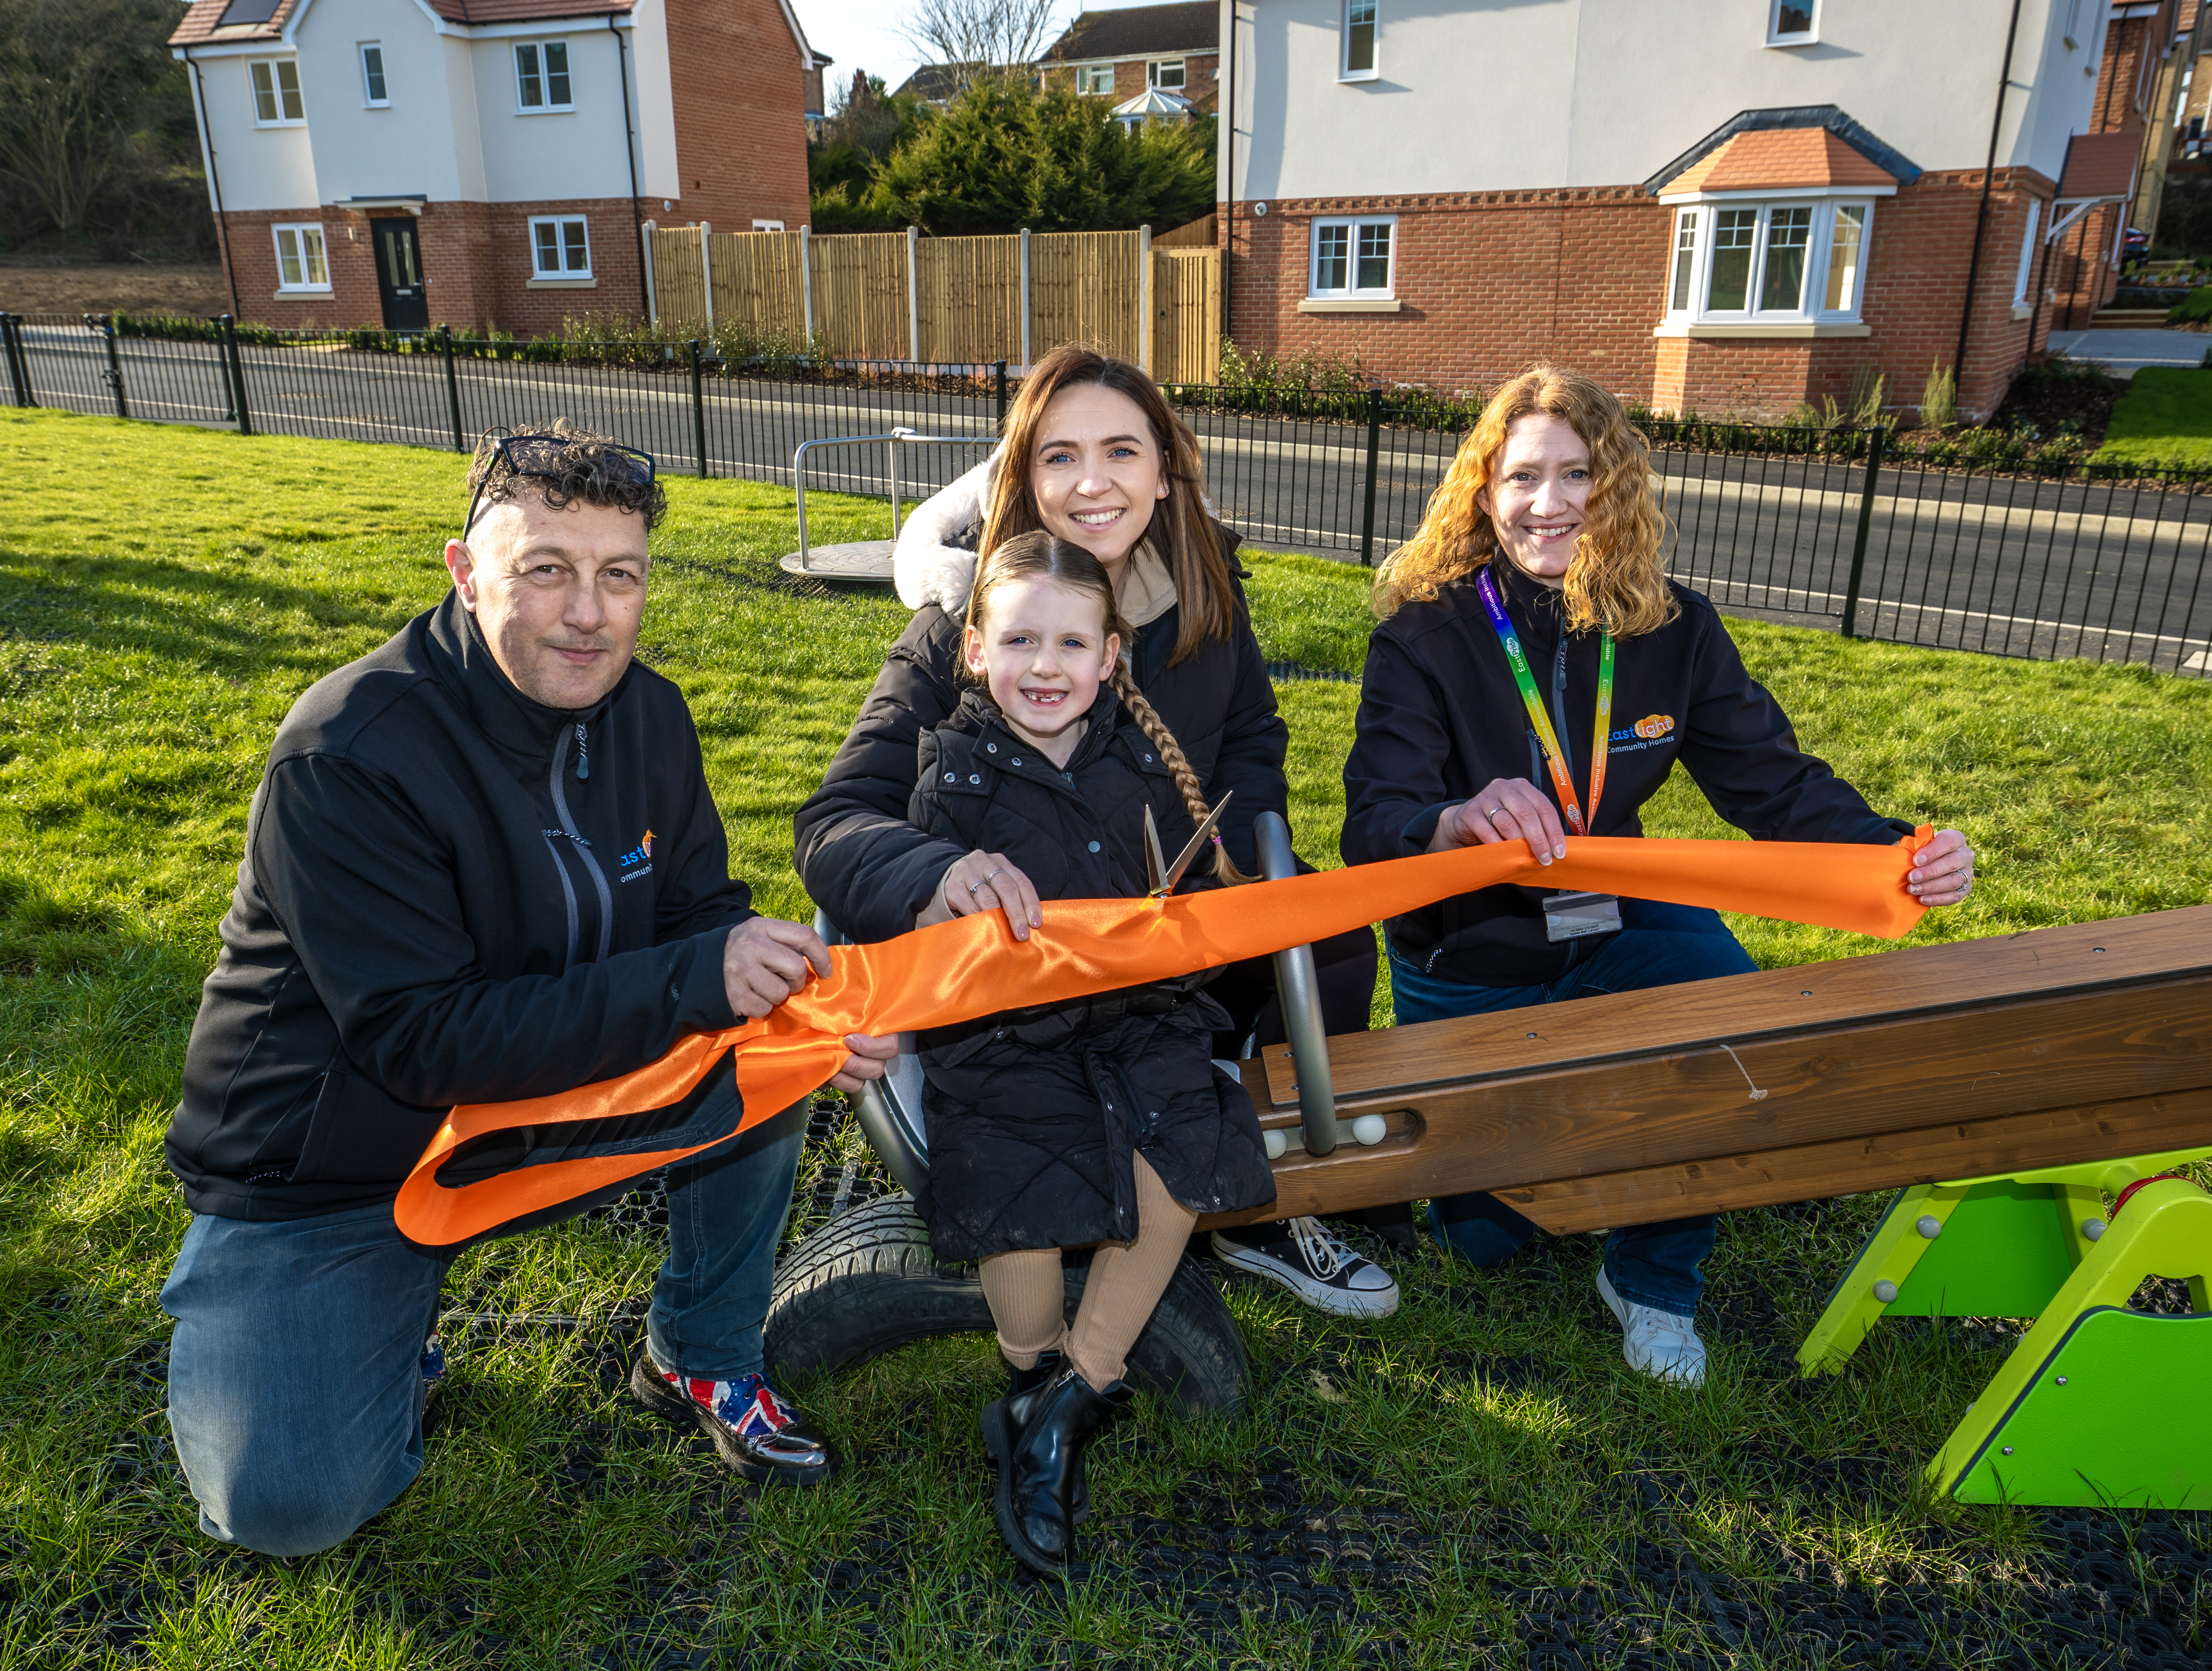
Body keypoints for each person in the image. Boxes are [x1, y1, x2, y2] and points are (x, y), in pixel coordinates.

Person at [159, 422, 899, 1557]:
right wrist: (698, 978)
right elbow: (419, 1041)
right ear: (464, 571)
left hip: (552, 1098)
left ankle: (700, 1356)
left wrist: (799, 1019)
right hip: (344, 1162)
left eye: (621, 574)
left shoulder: (649, 713)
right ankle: (379, 1320)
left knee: (764, 1058)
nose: (589, 614)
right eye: (545, 569)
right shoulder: (349, 750)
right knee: (286, 1506)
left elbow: (702, 910)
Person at [1341, 366, 1975, 1387]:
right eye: (1520, 478)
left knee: (1719, 1017)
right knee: (1486, 1238)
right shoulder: (1422, 637)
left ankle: (1651, 1280)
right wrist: (1455, 818)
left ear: (1616, 487)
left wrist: (1896, 848)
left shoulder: (1671, 629)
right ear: (1482, 492)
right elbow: (1372, 823)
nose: (1547, 504)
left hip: (1622, 924)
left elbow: (1772, 785)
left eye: (1575, 474)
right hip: (1470, 950)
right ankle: (1555, 1165)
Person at [796, 343, 1398, 1318]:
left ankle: (1263, 1203)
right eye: (1058, 455)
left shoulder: (1204, 598)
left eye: (1120, 451)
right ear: (1024, 478)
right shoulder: (966, 631)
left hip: (1170, 930)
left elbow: (1250, 732)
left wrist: (1231, 853)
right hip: (1032, 960)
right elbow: (835, 821)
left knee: (1323, 942)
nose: (1090, 482)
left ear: (1163, 471)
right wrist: (941, 871)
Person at [877, 530, 1278, 1574]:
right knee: (1015, 1177)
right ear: (974, 649)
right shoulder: (947, 776)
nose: (1044, 665)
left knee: (1183, 1147)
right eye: (1019, 640)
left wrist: (1194, 916)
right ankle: (1028, 1373)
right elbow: (920, 925)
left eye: (1070, 642)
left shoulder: (1141, 760)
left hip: (1139, 1020)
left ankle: (1065, 1403)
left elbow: (1182, 903)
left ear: (1109, 658)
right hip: (1003, 1036)